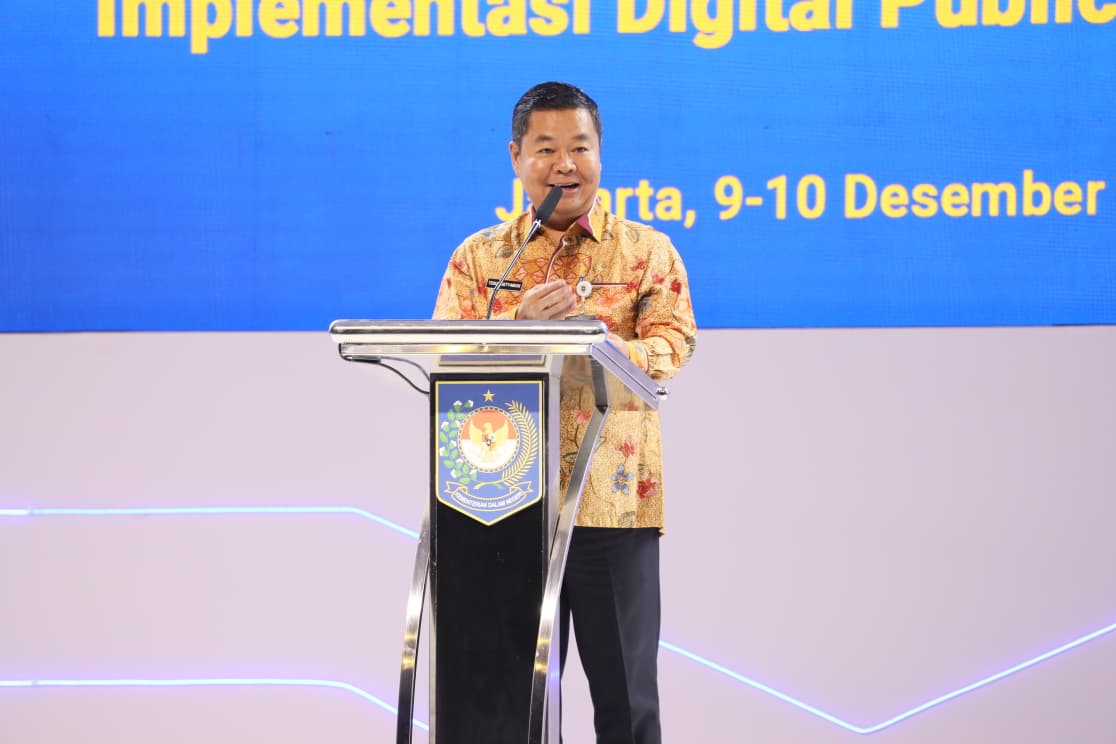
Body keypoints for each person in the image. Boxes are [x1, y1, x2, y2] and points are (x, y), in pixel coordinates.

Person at [433, 81, 697, 744]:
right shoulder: (480, 257)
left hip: (613, 502)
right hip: (501, 504)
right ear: (516, 157)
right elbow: (445, 355)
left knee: (627, 704)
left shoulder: (646, 251)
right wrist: (516, 329)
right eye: (546, 148)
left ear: (600, 153)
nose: (565, 165)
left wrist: (598, 347)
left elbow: (673, 344)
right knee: (502, 708)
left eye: (580, 147)